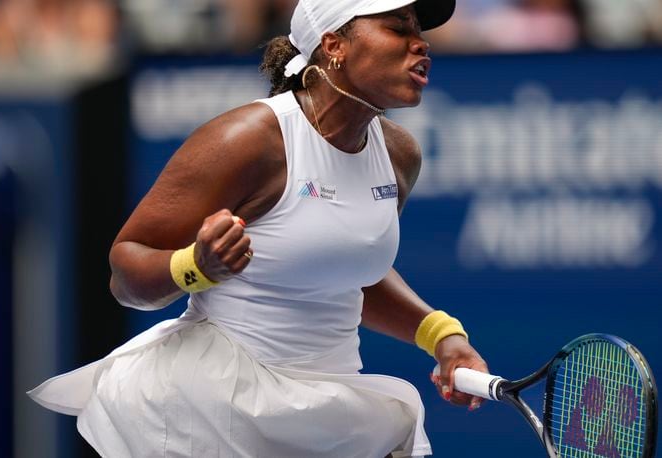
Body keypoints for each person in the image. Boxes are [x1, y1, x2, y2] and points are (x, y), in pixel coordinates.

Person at [28, 0, 489, 456]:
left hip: (324, 403)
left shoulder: (398, 156)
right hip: (211, 407)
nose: (420, 44)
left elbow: (347, 271)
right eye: (398, 27)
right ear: (334, 45)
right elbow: (125, 274)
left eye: (419, 31)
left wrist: (442, 336)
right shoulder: (248, 140)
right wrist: (196, 266)